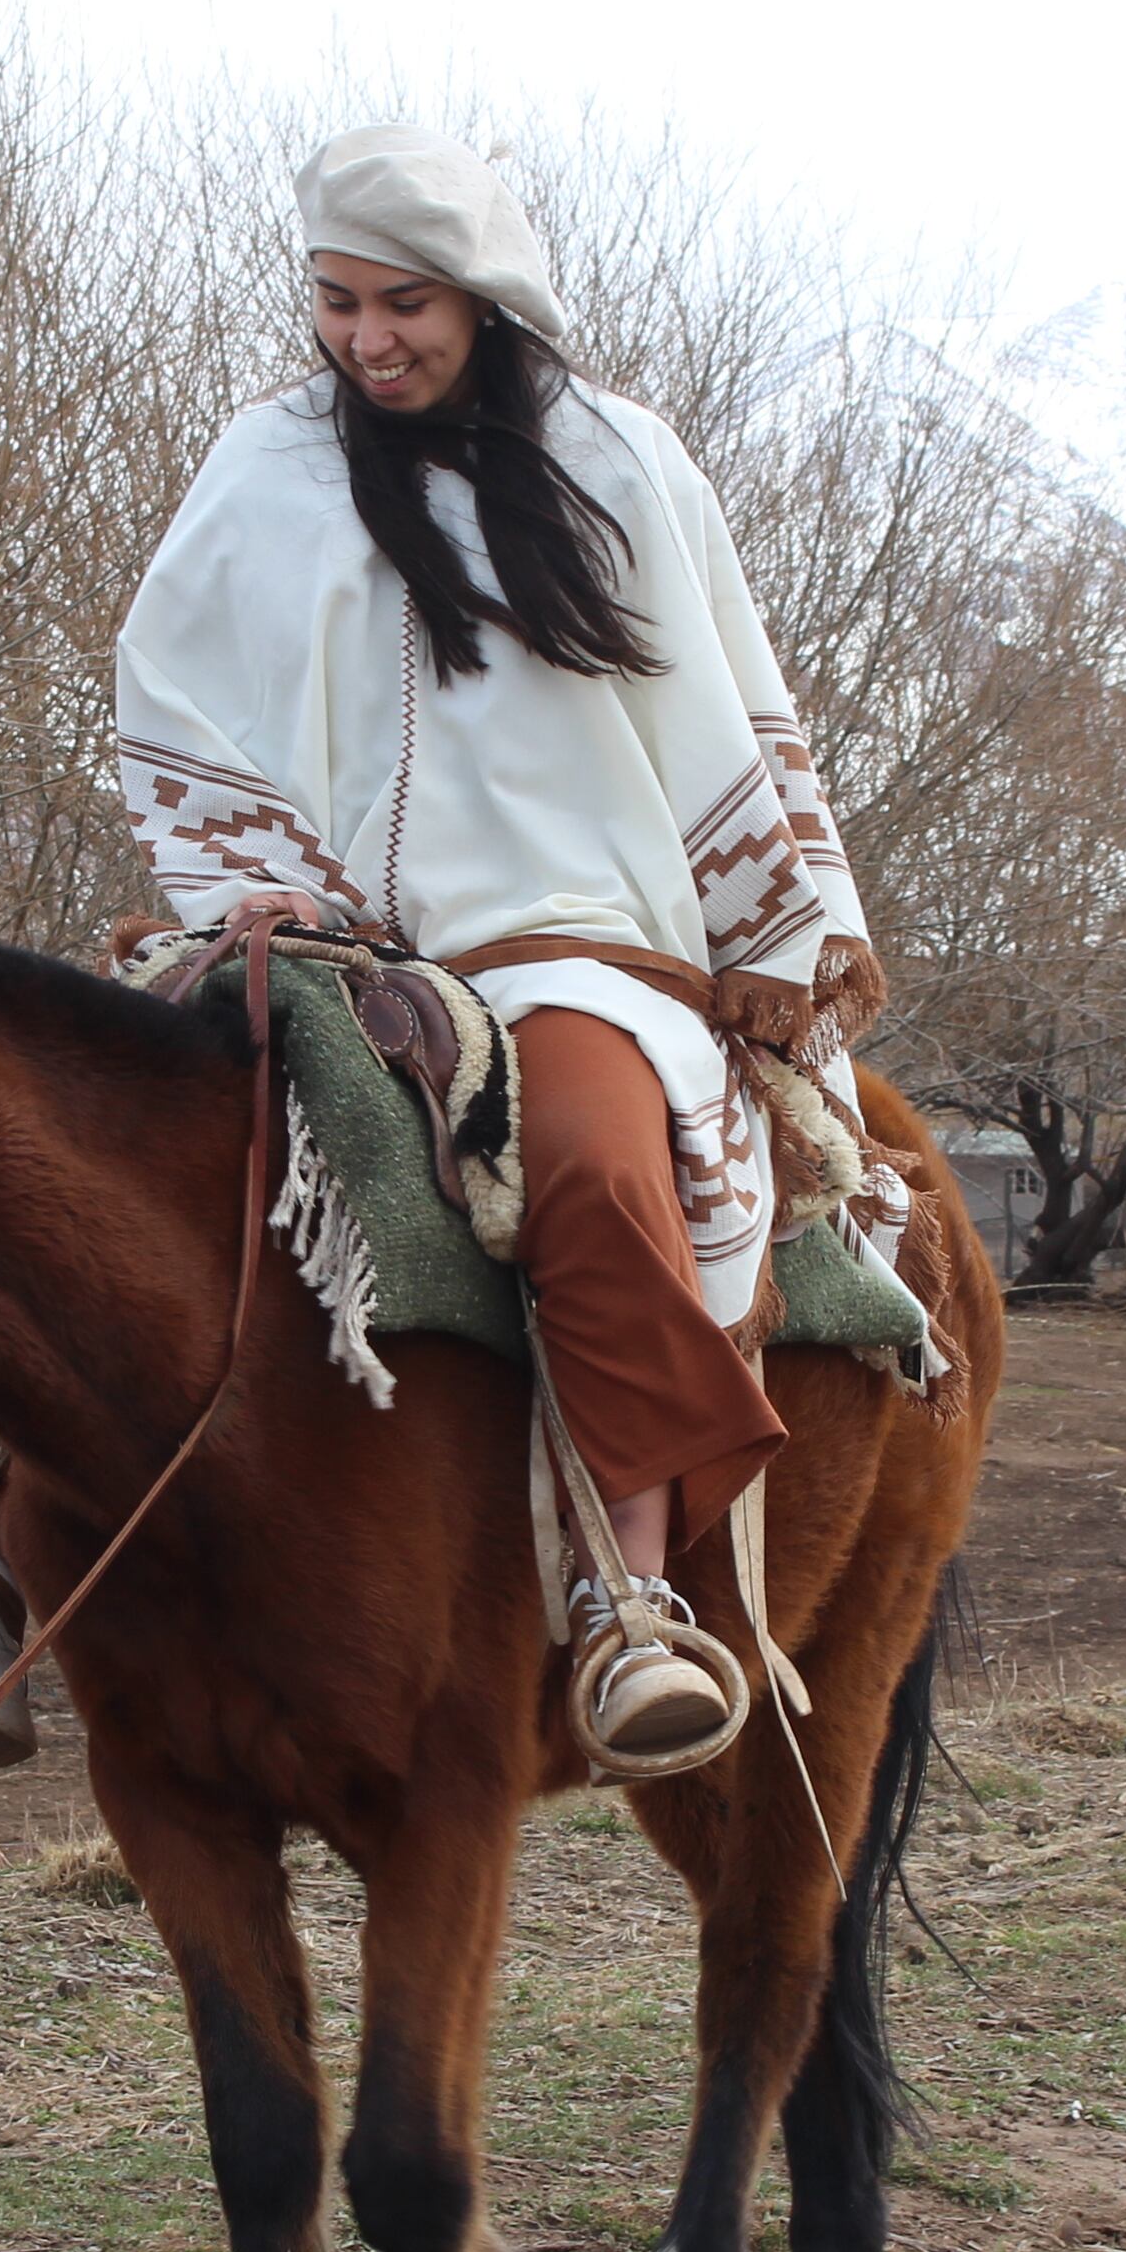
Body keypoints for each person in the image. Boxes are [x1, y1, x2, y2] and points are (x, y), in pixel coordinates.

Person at [108, 127, 894, 1767]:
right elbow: (171, 686)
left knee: (594, 1168)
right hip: (320, 924)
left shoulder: (617, 459)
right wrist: (256, 877)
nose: (368, 340)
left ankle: (627, 1591)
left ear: (482, 296)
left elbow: (723, 691)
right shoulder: (265, 471)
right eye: (336, 303)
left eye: (405, 304)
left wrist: (772, 927)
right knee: (49, 1120)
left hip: (578, 942)